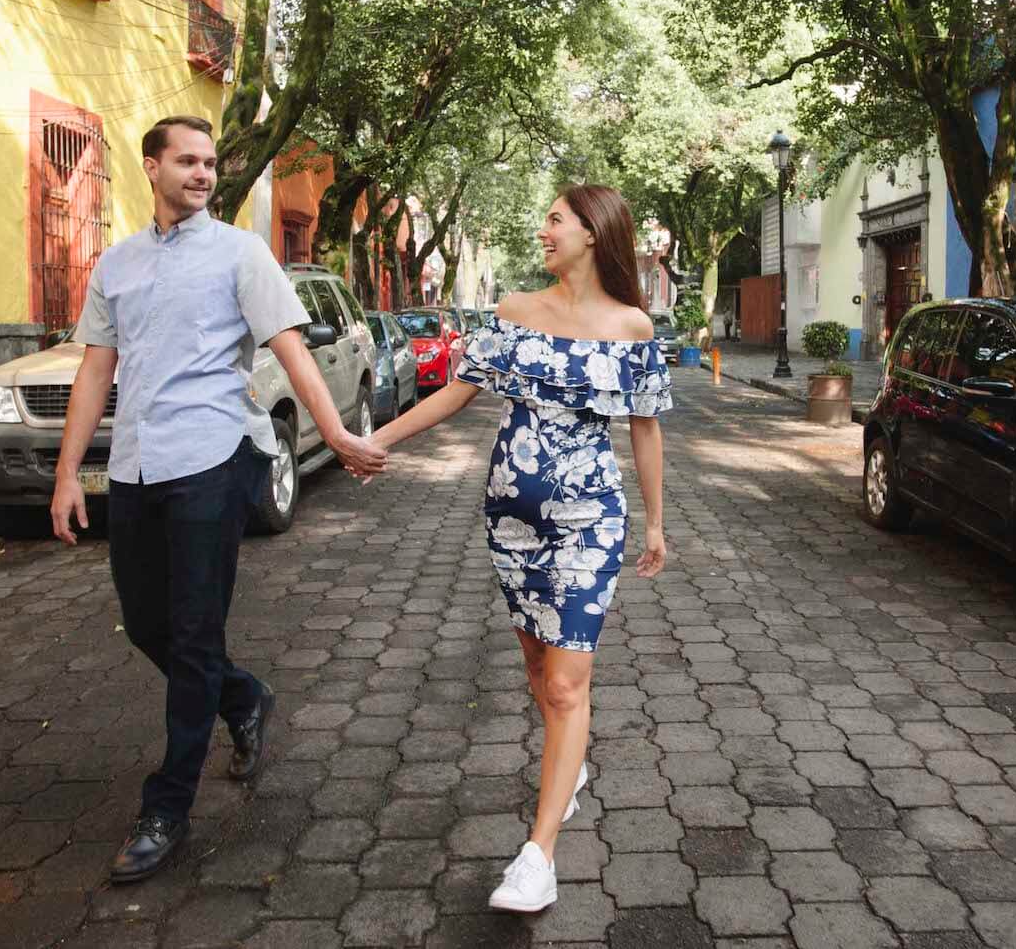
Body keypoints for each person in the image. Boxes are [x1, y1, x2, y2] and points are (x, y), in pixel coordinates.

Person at [51, 115, 388, 884]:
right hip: (136, 465)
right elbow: (95, 374)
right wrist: (71, 473)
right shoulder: (117, 265)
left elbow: (291, 350)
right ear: (151, 167)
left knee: (195, 635)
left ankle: (167, 806)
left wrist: (335, 435)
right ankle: (244, 697)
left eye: (210, 163)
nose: (203, 174)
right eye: (188, 161)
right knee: (146, 624)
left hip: (213, 456)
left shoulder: (242, 254)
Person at [370, 184, 672, 913]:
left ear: (593, 233)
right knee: (540, 667)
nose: (543, 231)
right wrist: (373, 441)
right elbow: (458, 392)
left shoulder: (631, 327)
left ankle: (539, 856)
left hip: (589, 522)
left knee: (567, 686)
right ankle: (568, 771)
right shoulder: (512, 312)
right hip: (510, 520)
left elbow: (645, 426)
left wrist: (657, 522)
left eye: (555, 220)